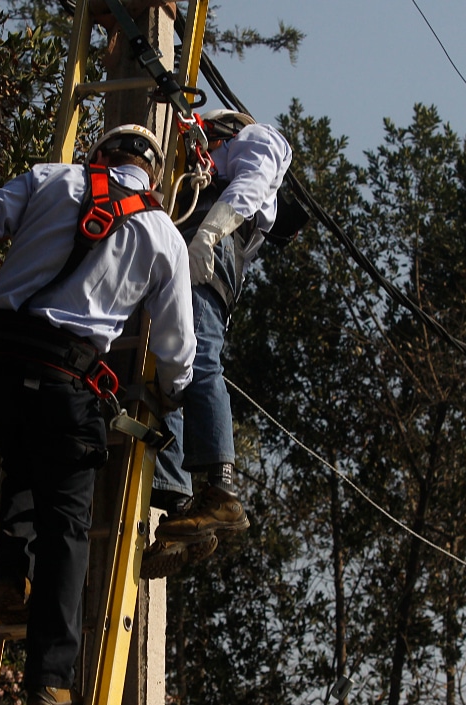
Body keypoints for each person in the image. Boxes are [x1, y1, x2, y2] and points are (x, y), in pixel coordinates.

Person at [0, 124, 195, 705]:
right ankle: (50, 684)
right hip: (66, 376)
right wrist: (173, 391)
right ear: (156, 178)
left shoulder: (51, 178)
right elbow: (177, 349)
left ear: (98, 155)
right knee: (66, 526)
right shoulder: (163, 234)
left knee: (19, 453)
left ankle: (13, 569)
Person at [142, 109, 292, 579]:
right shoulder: (200, 173)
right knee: (166, 360)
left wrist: (208, 233)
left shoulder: (258, 138)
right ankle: (180, 501)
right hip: (188, 243)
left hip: (209, 246)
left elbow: (249, 188)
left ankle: (220, 490)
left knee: (198, 354)